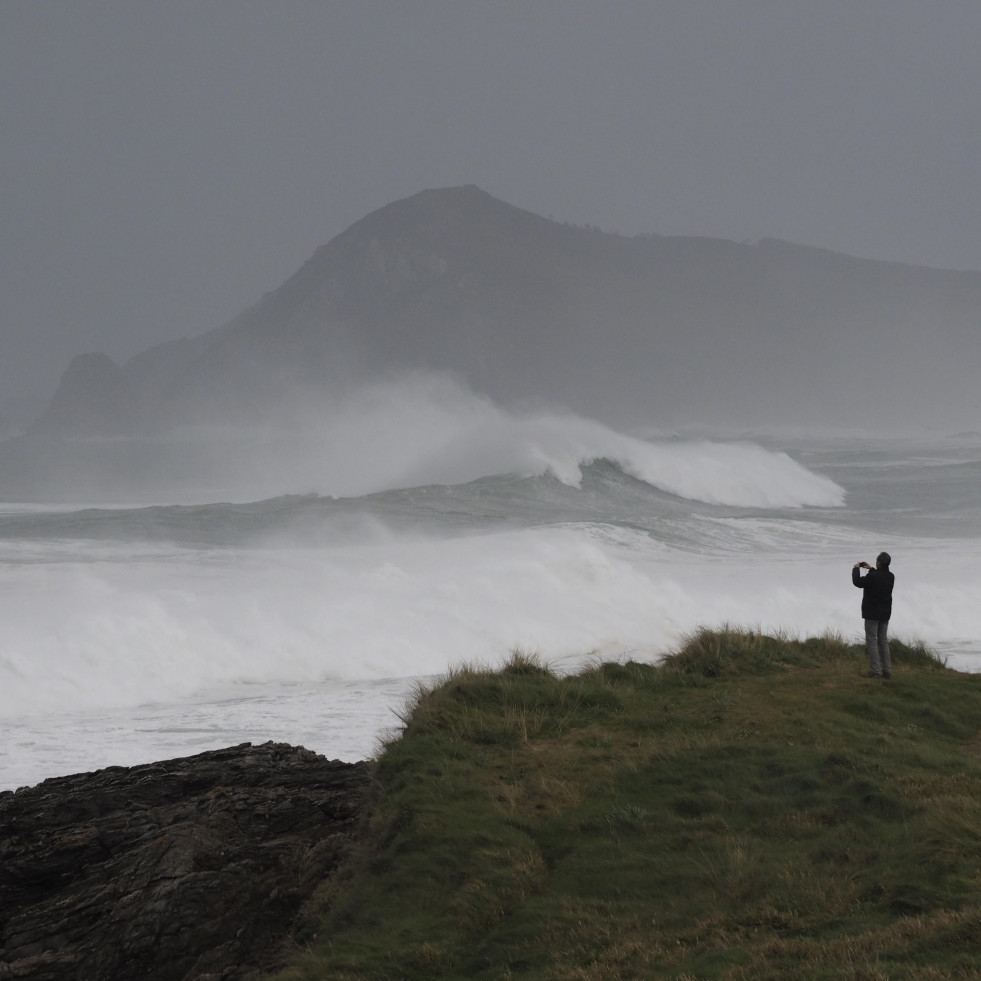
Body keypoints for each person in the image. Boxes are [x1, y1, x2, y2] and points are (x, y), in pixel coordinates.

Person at [852, 552, 895, 678]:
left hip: (872, 614)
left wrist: (856, 569)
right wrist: (871, 569)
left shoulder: (874, 577)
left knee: (872, 641)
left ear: (879, 562)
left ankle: (875, 671)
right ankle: (887, 671)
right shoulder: (891, 576)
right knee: (883, 641)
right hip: (885, 613)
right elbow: (878, 577)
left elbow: (858, 582)